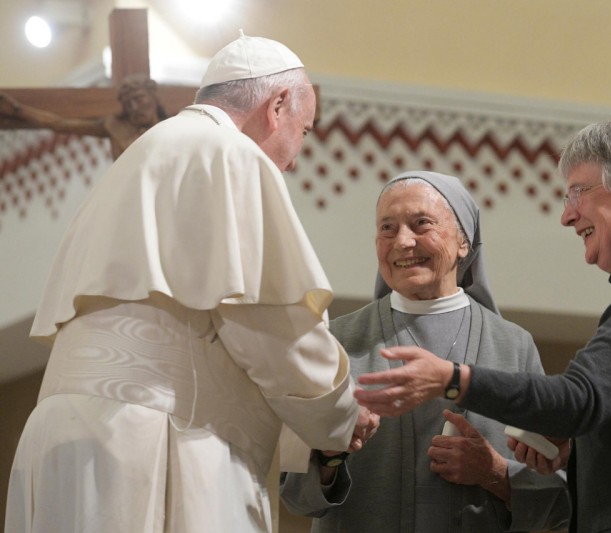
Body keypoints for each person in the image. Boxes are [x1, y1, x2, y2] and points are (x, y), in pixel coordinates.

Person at [5, 33, 378, 533]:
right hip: (149, 438)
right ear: (278, 105)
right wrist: (339, 412)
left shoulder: (138, 158)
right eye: (304, 131)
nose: (292, 160)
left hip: (61, 436)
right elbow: (268, 326)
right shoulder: (232, 155)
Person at [355, 117, 611, 532]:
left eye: (580, 192)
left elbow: (580, 398)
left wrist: (452, 379)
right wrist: (576, 452)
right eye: (387, 228)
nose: (567, 215)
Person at [281, 171, 571, 532]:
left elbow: (559, 500)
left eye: (422, 224)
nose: (403, 242)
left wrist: (495, 473)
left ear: (464, 242)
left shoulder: (513, 347)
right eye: (387, 228)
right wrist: (331, 453)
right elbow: (294, 494)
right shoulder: (337, 342)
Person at [0, 73, 167, 159]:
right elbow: (60, 123)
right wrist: (17, 110)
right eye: (128, 104)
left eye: (139, 99)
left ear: (153, 96)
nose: (134, 108)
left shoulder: (174, 126)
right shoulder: (115, 126)